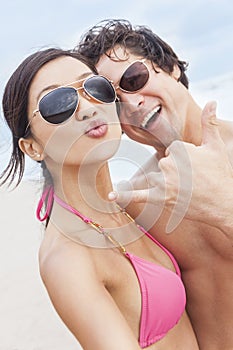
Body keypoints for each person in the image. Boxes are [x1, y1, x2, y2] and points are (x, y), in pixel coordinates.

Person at [0, 48, 199, 350]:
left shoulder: (125, 206)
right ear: (31, 148)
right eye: (58, 103)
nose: (87, 108)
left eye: (94, 88)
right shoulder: (68, 259)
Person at [75, 19, 233, 350]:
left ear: (171, 67)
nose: (132, 104)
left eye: (134, 79)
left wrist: (224, 207)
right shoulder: (135, 202)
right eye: (114, 103)